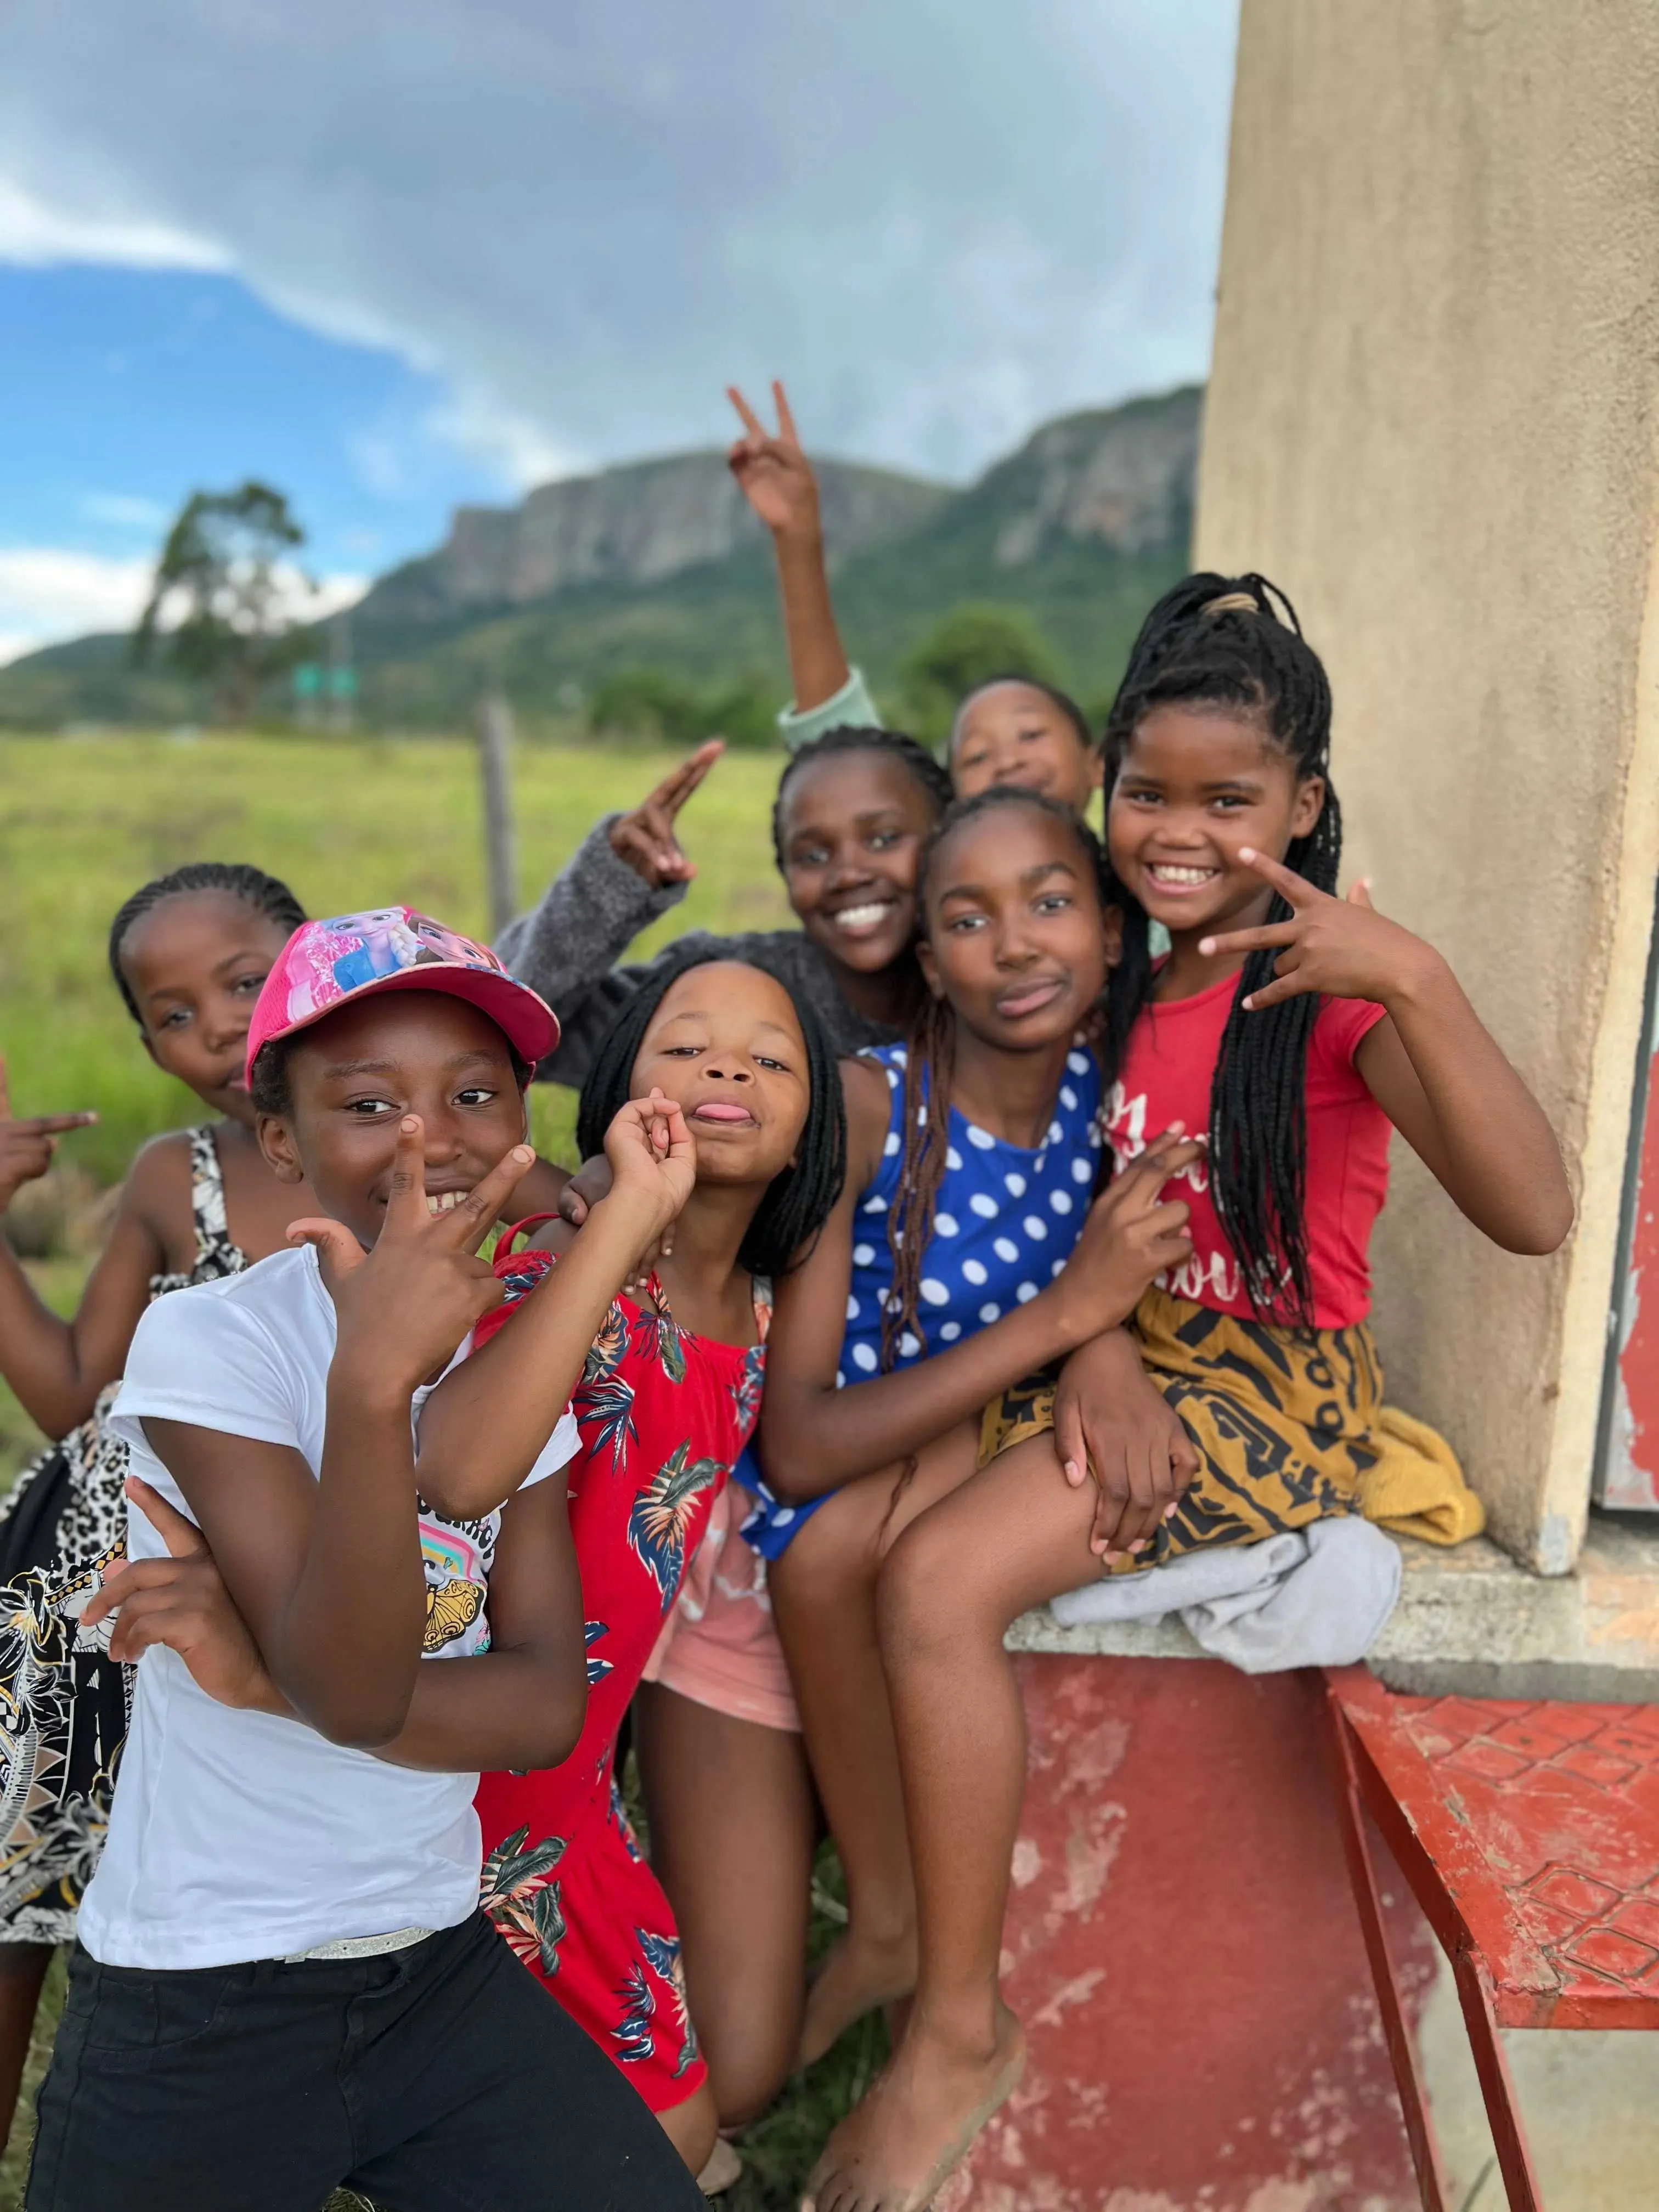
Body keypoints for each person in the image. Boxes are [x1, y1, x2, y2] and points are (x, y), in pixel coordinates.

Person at [798, 575, 1575, 2212]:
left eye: (1230, 801)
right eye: (1147, 792)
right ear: (1106, 788)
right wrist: (1095, 1346)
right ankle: (885, 1917)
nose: (1177, 831)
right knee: (860, 1533)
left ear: (1301, 804)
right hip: (1137, 1346)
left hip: (1276, 1387)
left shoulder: (1334, 1000)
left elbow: (1537, 1212)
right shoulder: (1126, 981)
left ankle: (959, 2024)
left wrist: (1416, 973)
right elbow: (1104, 1222)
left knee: (942, 1583)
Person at [26, 910, 702, 2212]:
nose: (427, 1136)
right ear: (281, 1139)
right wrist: (375, 1379)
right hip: (205, 1996)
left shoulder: (519, 1379)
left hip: (431, 1972)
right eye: (367, 1102)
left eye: (472, 1094)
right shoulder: (210, 1347)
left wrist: (261, 1667)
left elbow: (536, 1705)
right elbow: (358, 1689)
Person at [749, 786, 1195, 2076]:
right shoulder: (871, 1109)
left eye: (1050, 902)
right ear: (929, 963)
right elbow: (799, 1446)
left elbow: (1117, 1296)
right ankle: (886, 1914)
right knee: (823, 1546)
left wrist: (1099, 1337)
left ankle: (895, 1935)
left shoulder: (1114, 1110)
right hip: (840, 1462)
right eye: (968, 918)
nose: (1015, 944)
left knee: (857, 1555)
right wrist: (1074, 1315)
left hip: (952, 1451)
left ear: (1112, 935)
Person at [403, 950, 845, 2175]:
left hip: (572, 1795)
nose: (727, 1066)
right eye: (687, 1044)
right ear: (612, 1104)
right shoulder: (564, 1277)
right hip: (466, 1771)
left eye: (771, 1060)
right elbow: (456, 1474)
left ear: (811, 1133)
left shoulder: (760, 1309)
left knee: (678, 2124)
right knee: (661, 2136)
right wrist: (602, 1202)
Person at [0, 862, 312, 2140]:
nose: (221, 1028)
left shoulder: (416, 1143)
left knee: (217, 1917)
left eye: (246, 981)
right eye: (175, 1014)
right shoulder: (171, 1173)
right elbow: (75, 1393)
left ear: (318, 959)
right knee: (26, 1880)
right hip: (90, 1592)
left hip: (268, 1601)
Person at [496, 723, 953, 1085]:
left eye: (885, 838)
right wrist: (607, 887)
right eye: (813, 855)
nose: (849, 873)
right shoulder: (729, 987)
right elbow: (509, 1027)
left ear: (950, 839)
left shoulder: (995, 985)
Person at [726, 380, 1104, 814]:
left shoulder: (1135, 878)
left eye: (1032, 735)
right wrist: (797, 539)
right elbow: (848, 753)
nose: (1008, 761)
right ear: (952, 798)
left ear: (1097, 764)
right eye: (976, 757)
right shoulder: (936, 877)